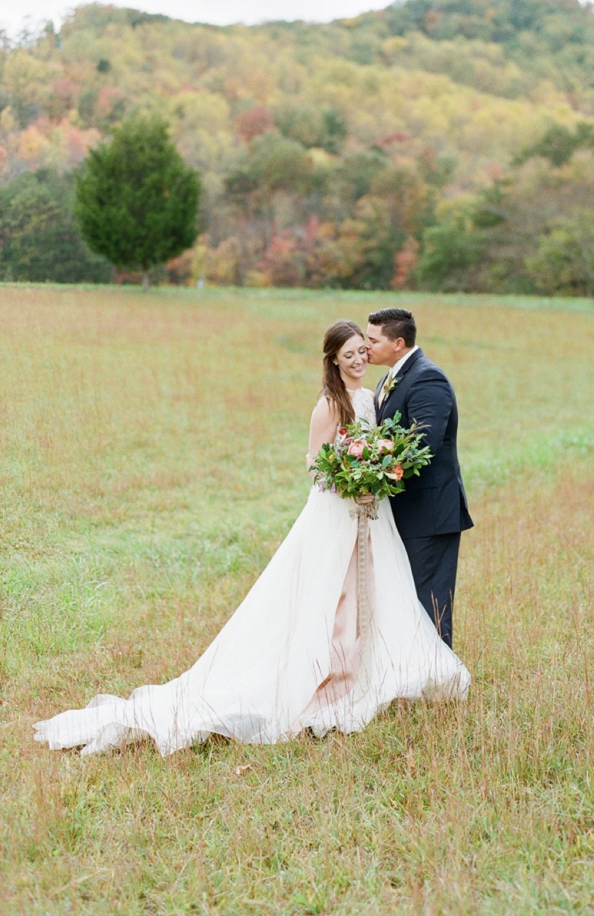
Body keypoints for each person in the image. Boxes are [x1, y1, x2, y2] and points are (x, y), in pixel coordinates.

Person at [34, 319, 469, 757]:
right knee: (328, 595)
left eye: (363, 349)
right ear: (333, 359)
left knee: (369, 592)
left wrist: (371, 476)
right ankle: (322, 676)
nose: (359, 358)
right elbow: (318, 465)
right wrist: (350, 482)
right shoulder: (329, 404)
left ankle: (366, 672)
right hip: (338, 510)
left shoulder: (371, 394)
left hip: (369, 513)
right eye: (350, 353)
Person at [366, 307, 473, 648]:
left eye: (372, 340)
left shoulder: (428, 378)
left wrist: (374, 471)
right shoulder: (389, 377)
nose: (366, 346)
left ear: (398, 343)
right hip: (404, 511)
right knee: (406, 601)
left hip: (430, 513)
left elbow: (423, 444)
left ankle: (439, 681)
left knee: (430, 602)